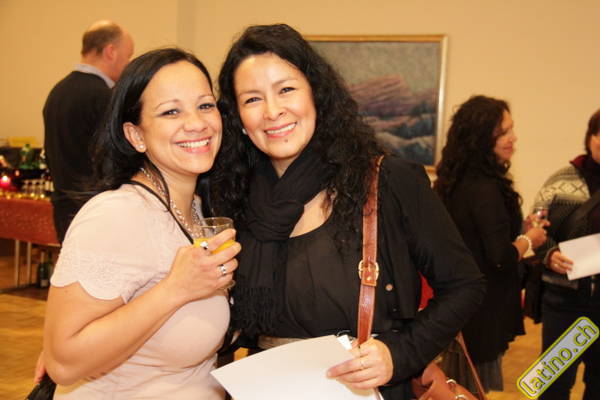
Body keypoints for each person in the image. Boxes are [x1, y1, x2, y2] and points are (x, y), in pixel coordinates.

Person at [209, 23, 485, 399]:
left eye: (286, 89)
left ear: (316, 94)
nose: (272, 111)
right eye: (252, 99)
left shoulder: (387, 182)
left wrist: (398, 354)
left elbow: (465, 285)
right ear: (238, 118)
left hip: (367, 389)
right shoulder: (233, 198)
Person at [42, 47, 240, 399]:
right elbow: (63, 363)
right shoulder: (116, 215)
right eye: (171, 111)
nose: (197, 123)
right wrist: (175, 289)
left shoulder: (195, 210)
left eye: (205, 105)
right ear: (135, 135)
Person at [434, 95, 548, 392]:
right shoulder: (485, 187)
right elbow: (500, 257)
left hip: (457, 302)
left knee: (458, 385)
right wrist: (529, 239)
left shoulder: (455, 180)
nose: (514, 137)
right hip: (482, 308)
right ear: (482, 138)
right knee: (472, 388)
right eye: (504, 132)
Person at [530, 108, 600, 400]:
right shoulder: (560, 180)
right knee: (554, 386)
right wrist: (549, 254)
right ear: (590, 136)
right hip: (565, 305)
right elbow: (534, 227)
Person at [43, 20, 134, 242]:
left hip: (64, 208)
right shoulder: (102, 97)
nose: (128, 64)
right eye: (128, 56)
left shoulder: (57, 91)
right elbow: (116, 160)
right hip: (95, 211)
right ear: (111, 52)